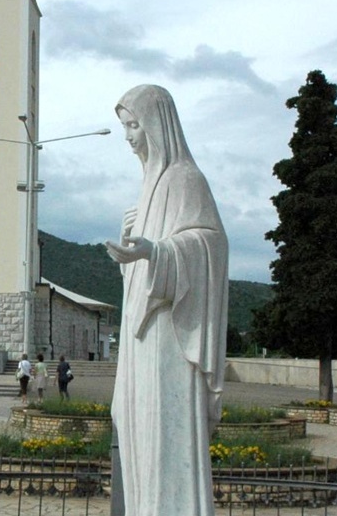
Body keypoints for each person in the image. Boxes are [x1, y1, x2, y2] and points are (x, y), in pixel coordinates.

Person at [103, 84, 229, 516]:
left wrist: (155, 252)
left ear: (157, 126)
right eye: (124, 126)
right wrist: (130, 253)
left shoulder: (185, 179)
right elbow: (139, 270)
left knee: (165, 436)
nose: (129, 137)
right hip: (141, 339)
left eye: (134, 125)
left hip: (170, 336)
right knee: (139, 432)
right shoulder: (146, 188)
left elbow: (210, 245)